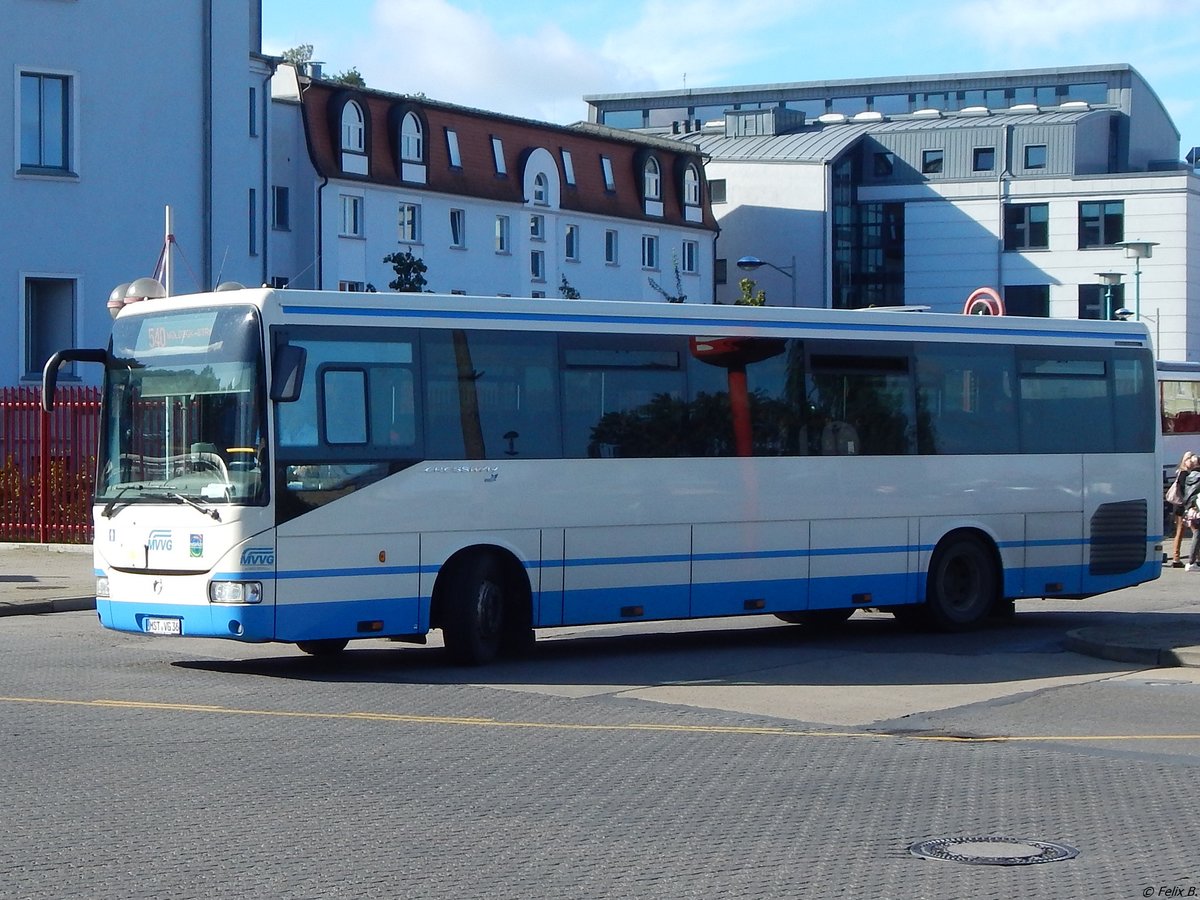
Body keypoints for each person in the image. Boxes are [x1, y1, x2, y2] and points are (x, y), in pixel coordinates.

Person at [1168, 451, 1197, 567]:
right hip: (1182, 506)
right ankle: (1177, 557)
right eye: (1191, 460)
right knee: (1190, 531)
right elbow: (1185, 490)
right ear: (1186, 460)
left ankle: (1177, 557)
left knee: (1182, 531)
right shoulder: (1184, 473)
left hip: (1180, 506)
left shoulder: (1181, 472)